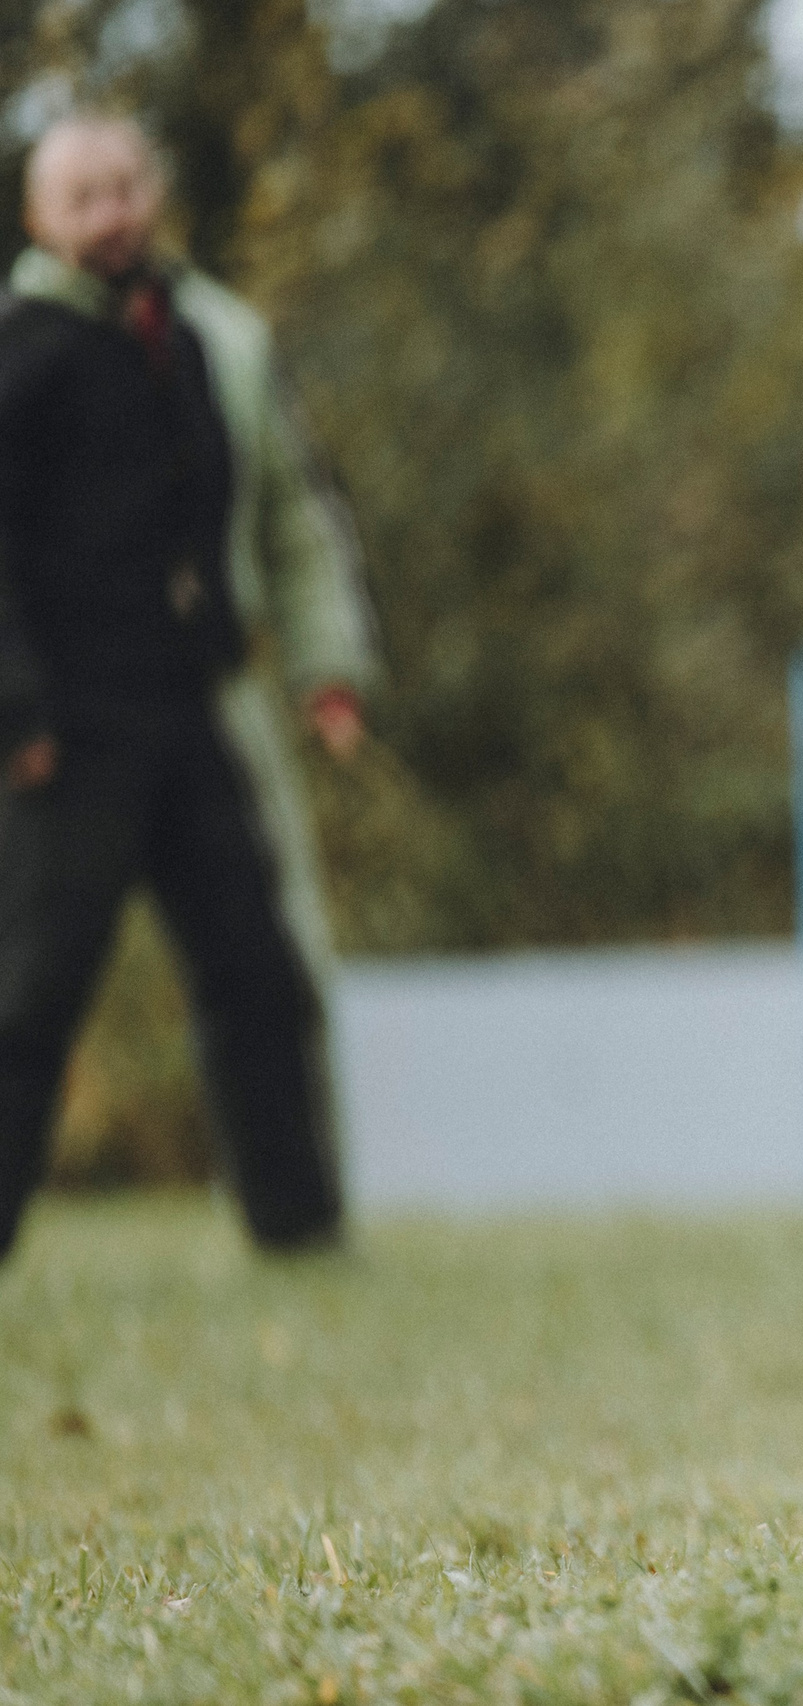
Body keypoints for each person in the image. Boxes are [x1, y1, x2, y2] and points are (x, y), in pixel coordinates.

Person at [0, 112, 379, 1261]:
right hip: (68, 727)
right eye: (83, 196)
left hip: (193, 706)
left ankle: (299, 1225)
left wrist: (327, 666)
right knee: (31, 996)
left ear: (156, 191)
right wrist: (13, 710)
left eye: (125, 186)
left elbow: (285, 511)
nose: (112, 213)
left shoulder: (202, 338)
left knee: (259, 973)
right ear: (40, 219)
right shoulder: (25, 353)